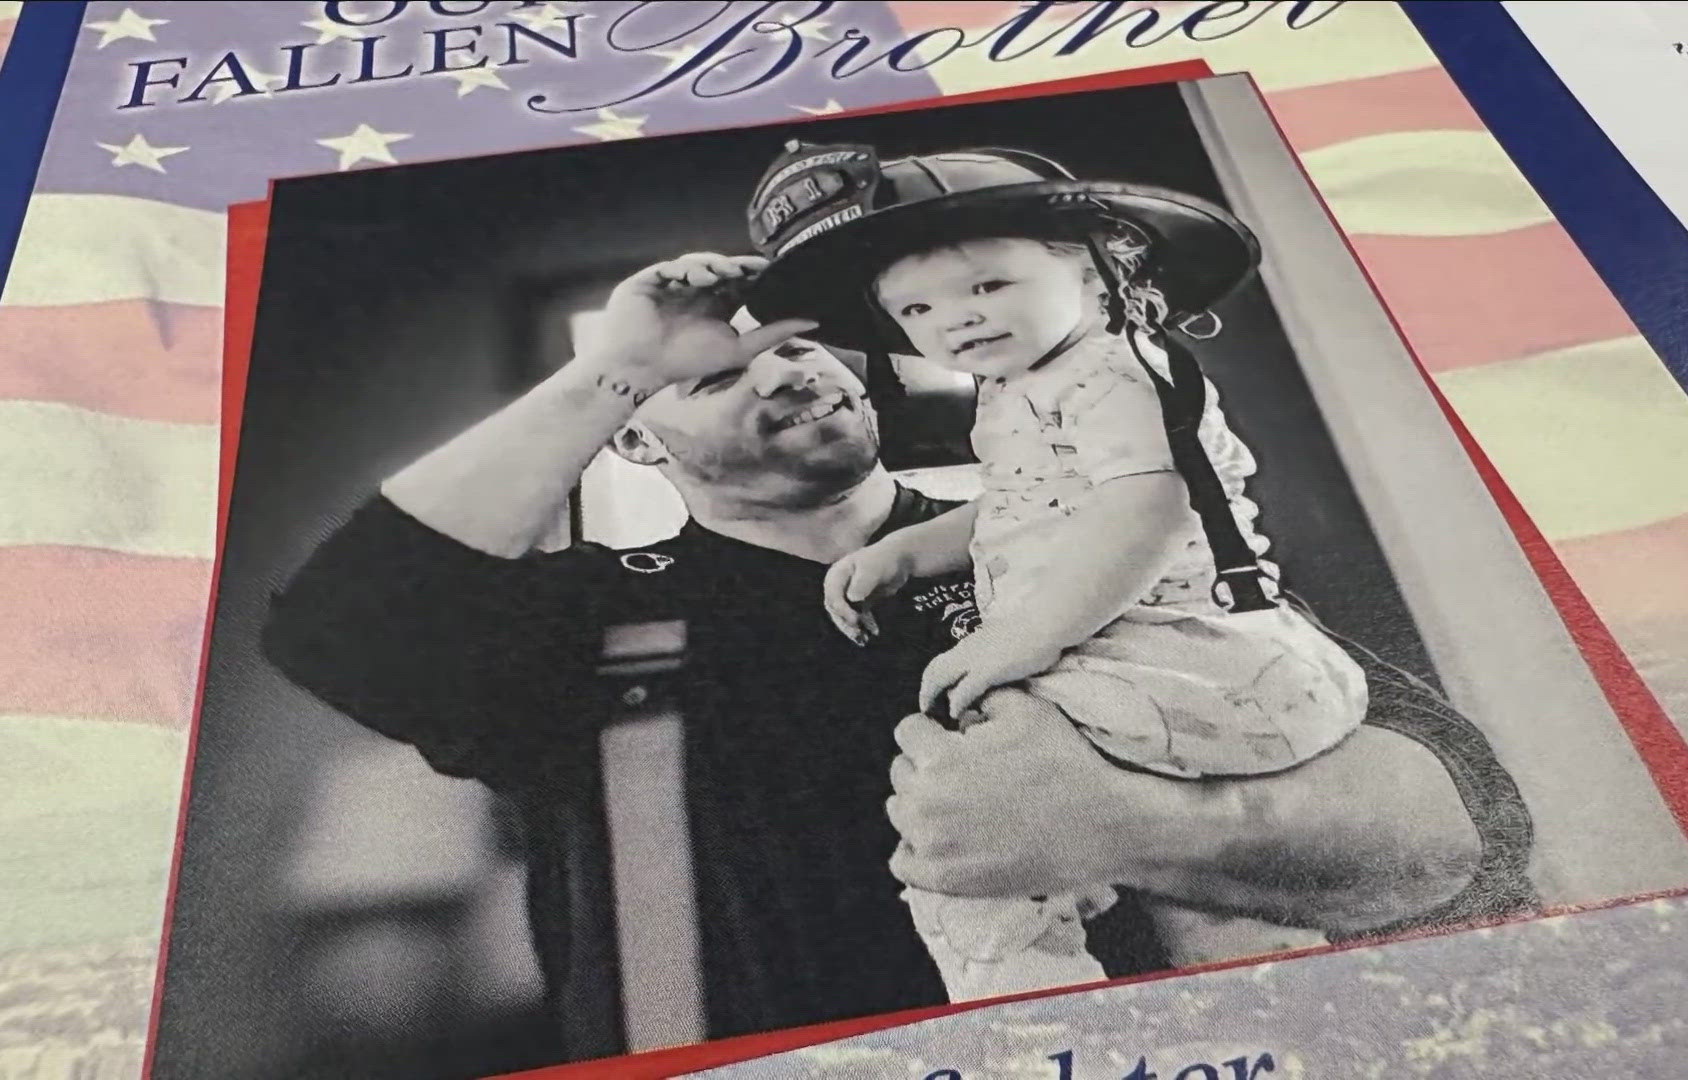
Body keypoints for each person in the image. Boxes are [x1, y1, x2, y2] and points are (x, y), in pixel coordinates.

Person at [263, 249, 1534, 1057]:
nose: (791, 373)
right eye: (716, 380)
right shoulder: (587, 620)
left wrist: (1129, 825)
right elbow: (339, 629)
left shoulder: (1093, 537)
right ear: (638, 446)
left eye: (799, 343)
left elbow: (1464, 826)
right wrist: (622, 365)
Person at [760, 142, 1369, 999]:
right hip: (1162, 666)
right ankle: (1276, 997)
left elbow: (1147, 509)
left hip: (1195, 652)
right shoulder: (1019, 390)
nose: (956, 320)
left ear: (1093, 270)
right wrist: (910, 551)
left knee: (968, 818)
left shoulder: (1115, 371)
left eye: (987, 285)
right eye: (918, 309)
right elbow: (1037, 506)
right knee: (1209, 913)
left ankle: (1034, 1016)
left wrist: (1021, 637)